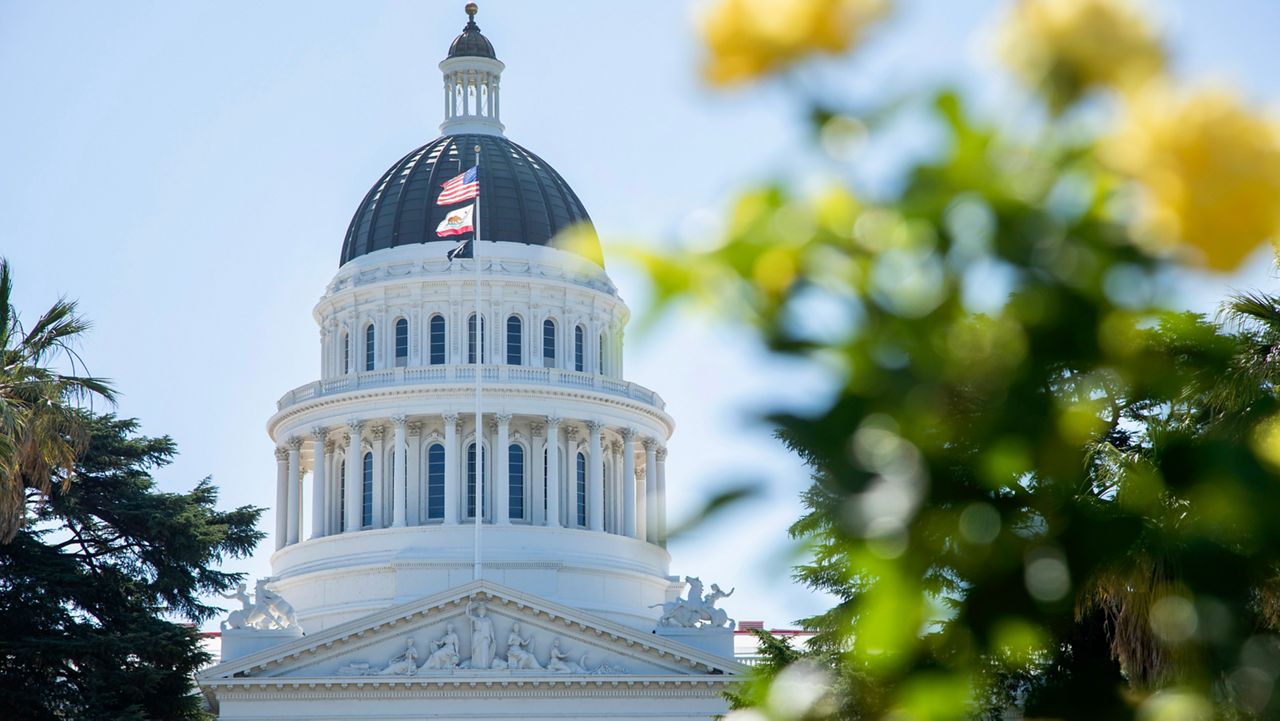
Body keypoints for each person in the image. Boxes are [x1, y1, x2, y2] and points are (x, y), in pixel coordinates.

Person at [466, 600, 495, 669]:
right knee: (476, 652)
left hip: (485, 638)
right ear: (478, 611)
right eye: (480, 610)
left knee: (484, 651)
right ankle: (476, 665)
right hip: (477, 637)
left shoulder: (488, 620)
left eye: (483, 610)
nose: (481, 611)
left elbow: (491, 630)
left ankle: (484, 665)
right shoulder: (476, 619)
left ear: (485, 611)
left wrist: (493, 639)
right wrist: (468, 606)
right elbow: (468, 615)